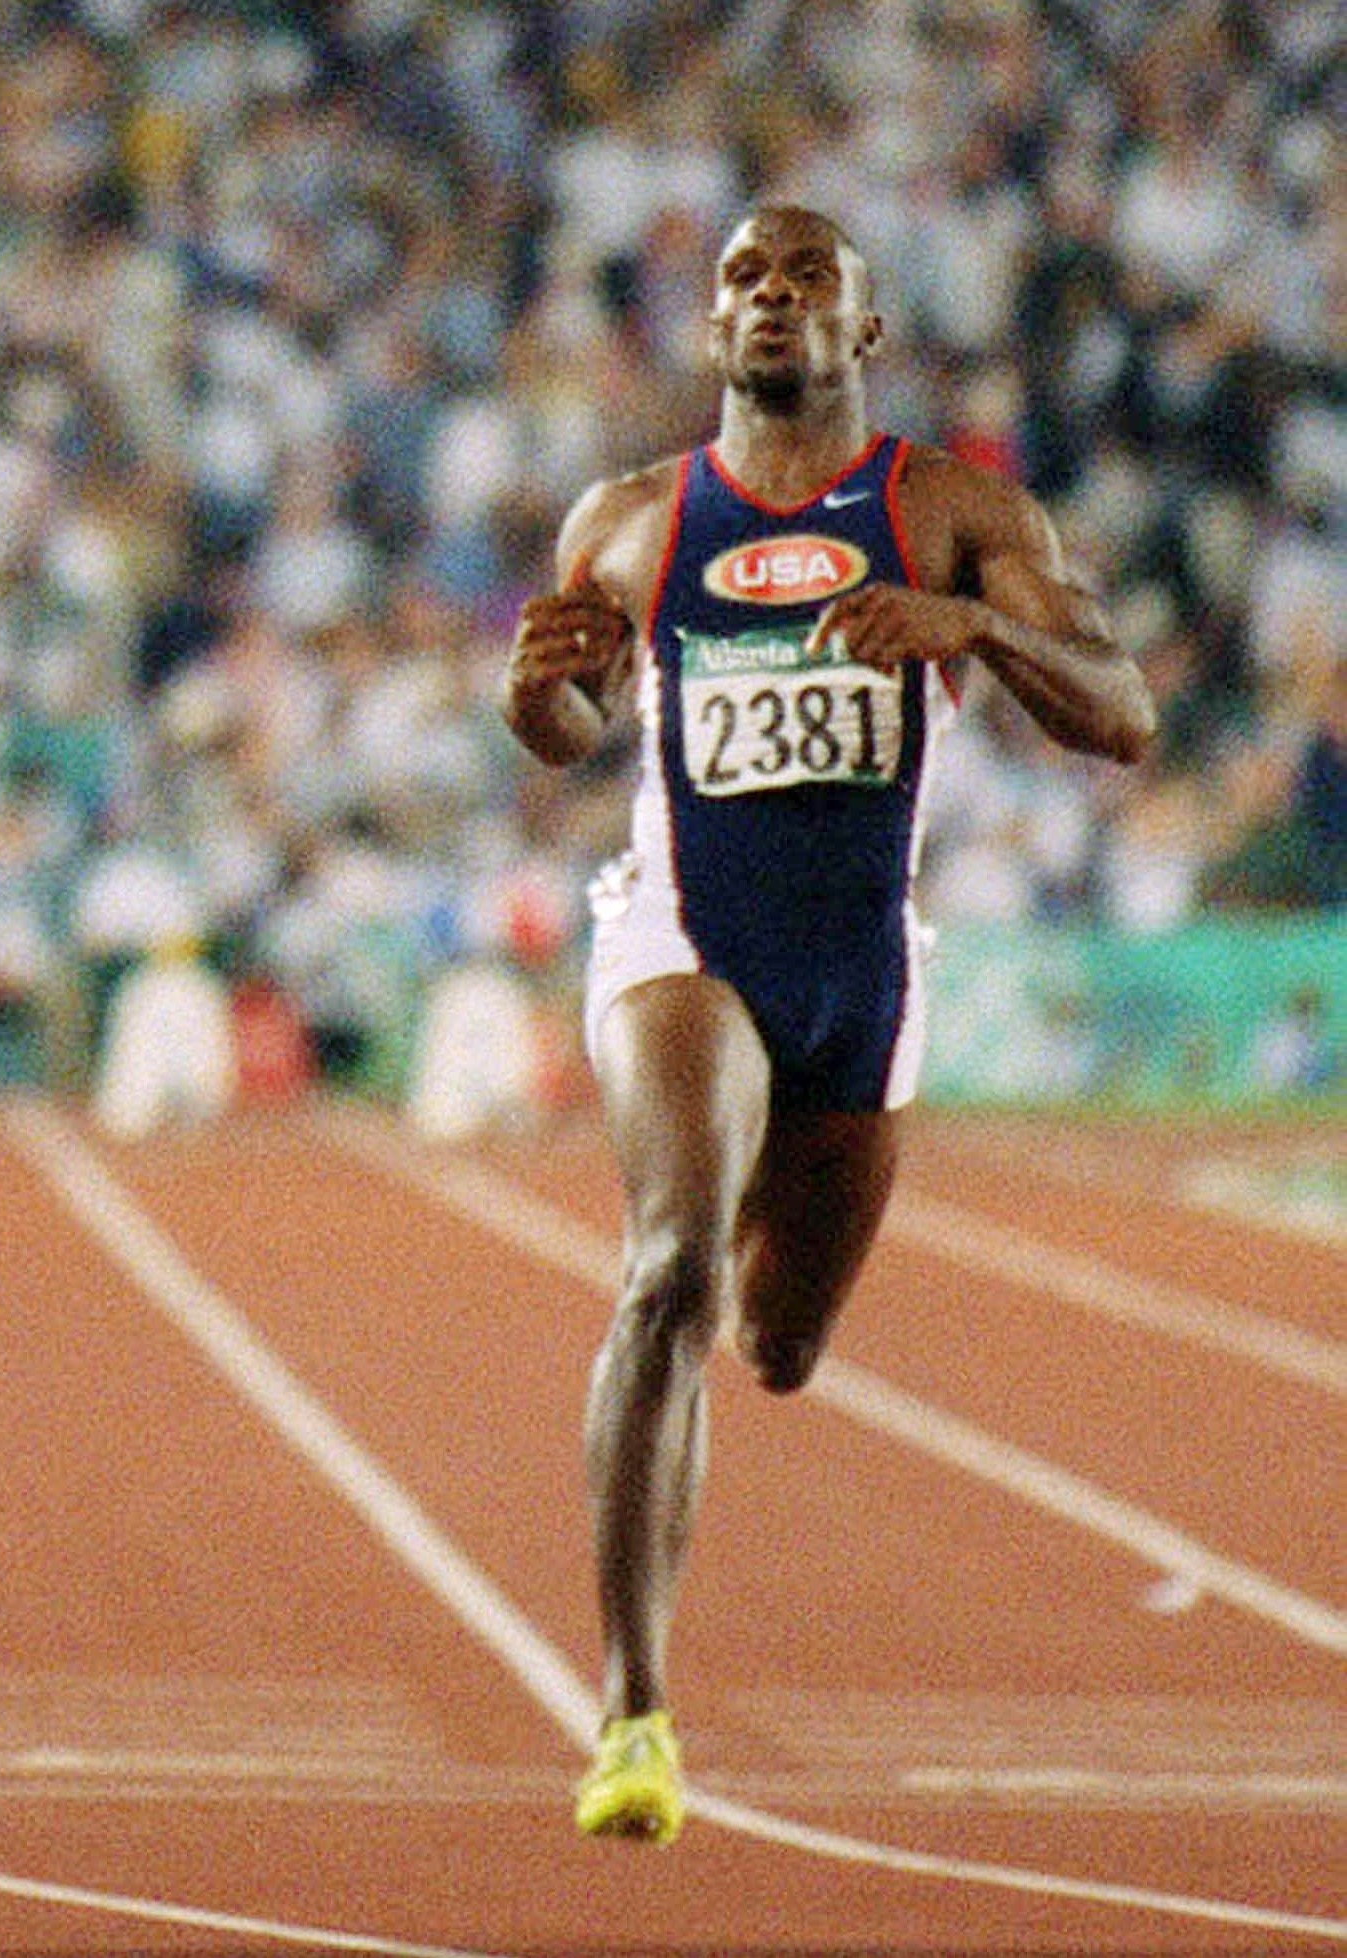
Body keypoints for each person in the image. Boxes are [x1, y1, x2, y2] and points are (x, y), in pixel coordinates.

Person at [501, 206, 1153, 1846]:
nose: (767, 296)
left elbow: (1125, 716)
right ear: (711, 329)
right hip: (682, 936)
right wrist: (535, 691)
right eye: (739, 278)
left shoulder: (947, 508)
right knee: (669, 1267)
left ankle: (717, 1355)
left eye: (805, 277)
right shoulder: (633, 514)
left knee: (779, 1348)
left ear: (861, 332)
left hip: (861, 964)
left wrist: (979, 630)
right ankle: (632, 1710)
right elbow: (565, 721)